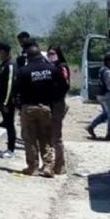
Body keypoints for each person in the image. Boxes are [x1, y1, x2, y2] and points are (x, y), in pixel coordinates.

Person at [15, 44, 68, 177]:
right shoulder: (52, 69)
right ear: (40, 55)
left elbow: (16, 91)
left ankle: (32, 167)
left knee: (29, 138)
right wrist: (53, 99)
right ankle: (48, 166)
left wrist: (18, 105)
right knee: (45, 137)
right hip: (46, 107)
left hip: (28, 108)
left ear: (29, 57)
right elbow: (63, 87)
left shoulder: (24, 71)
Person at [87, 53, 110, 140]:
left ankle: (91, 126)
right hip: (107, 96)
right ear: (108, 62)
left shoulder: (109, 70)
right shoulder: (107, 71)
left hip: (104, 96)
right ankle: (109, 134)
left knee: (105, 114)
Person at [47, 46, 70, 174]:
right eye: (49, 54)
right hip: (50, 104)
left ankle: (60, 165)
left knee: (56, 136)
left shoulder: (61, 67)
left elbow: (65, 85)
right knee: (48, 135)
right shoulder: (50, 67)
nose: (51, 56)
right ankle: (49, 164)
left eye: (53, 53)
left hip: (57, 104)